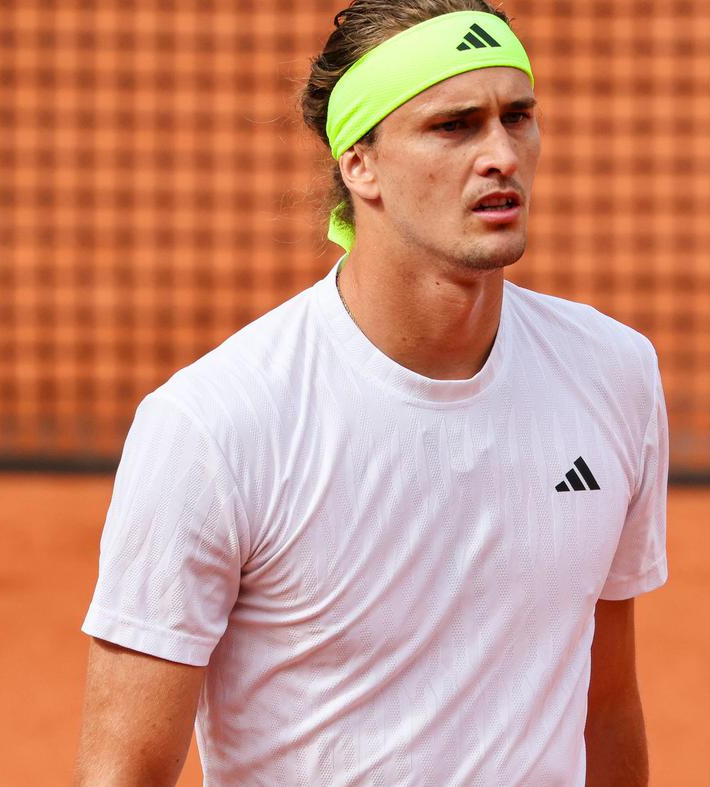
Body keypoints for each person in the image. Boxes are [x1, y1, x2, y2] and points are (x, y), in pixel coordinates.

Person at [72, 1, 668, 784]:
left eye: (517, 117)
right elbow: (124, 769)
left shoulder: (613, 373)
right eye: (454, 126)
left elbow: (606, 704)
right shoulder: (215, 425)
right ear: (361, 165)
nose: (501, 154)